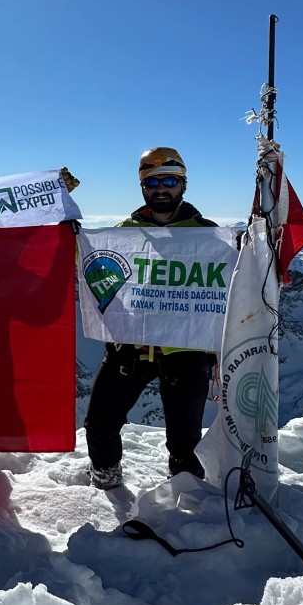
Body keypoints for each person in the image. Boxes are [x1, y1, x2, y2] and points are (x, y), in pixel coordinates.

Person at [83, 147, 217, 490]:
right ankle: (106, 481)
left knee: (186, 441)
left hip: (186, 350)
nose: (161, 189)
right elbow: (99, 275)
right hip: (130, 346)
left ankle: (187, 494)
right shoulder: (123, 233)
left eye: (169, 181)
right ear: (142, 187)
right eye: (152, 182)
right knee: (99, 423)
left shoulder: (209, 235)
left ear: (183, 185)